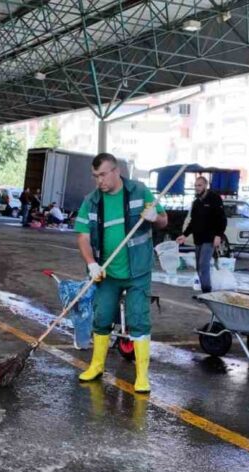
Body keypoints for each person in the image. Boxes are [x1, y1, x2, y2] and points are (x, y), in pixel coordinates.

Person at [75, 153, 166, 393]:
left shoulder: (139, 191)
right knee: (102, 317)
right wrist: (91, 263)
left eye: (103, 175)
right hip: (106, 272)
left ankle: (142, 375)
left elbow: (164, 221)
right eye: (95, 177)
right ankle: (96, 366)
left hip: (138, 270)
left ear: (116, 171)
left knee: (138, 319)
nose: (99, 181)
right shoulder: (92, 201)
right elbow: (83, 236)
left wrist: (155, 217)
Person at [177, 175, 227, 293]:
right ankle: (204, 289)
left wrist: (218, 235)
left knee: (203, 264)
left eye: (199, 185)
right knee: (199, 267)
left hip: (209, 238)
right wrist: (184, 235)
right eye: (195, 186)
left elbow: (222, 219)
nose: (197, 188)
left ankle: (206, 291)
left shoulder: (214, 198)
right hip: (198, 238)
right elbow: (193, 222)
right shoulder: (196, 202)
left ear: (205, 185)